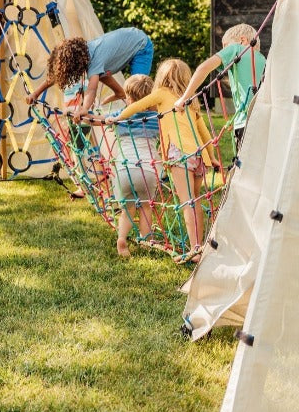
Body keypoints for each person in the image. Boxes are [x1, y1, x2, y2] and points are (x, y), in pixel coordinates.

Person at [108, 58, 216, 263]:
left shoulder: (162, 93)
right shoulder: (190, 99)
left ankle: (195, 250)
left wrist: (117, 118)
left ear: (162, 77)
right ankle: (199, 245)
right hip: (198, 155)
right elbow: (203, 131)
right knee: (196, 200)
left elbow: (137, 106)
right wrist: (211, 155)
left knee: (187, 203)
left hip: (178, 153)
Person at [26, 27, 153, 119]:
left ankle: (153, 120)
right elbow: (55, 76)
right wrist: (36, 93)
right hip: (130, 38)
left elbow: (92, 89)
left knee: (139, 91)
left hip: (141, 46)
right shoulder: (83, 53)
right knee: (98, 74)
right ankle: (120, 93)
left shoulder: (94, 59)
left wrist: (84, 109)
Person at [174, 23, 266, 150]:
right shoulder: (264, 60)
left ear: (243, 40)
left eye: (225, 47)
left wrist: (184, 98)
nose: (223, 51)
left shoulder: (236, 49)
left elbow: (203, 68)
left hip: (245, 123)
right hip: (266, 122)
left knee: (244, 167)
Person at [104, 74, 161, 258]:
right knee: (145, 207)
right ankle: (146, 241)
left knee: (127, 209)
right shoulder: (156, 118)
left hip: (123, 170)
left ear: (128, 98)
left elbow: (102, 119)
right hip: (147, 171)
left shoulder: (120, 117)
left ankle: (122, 238)